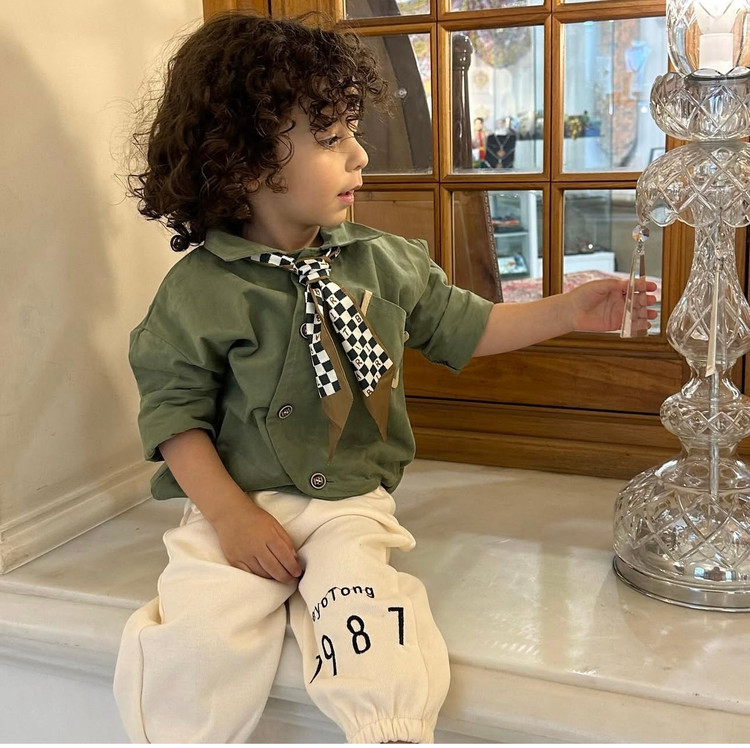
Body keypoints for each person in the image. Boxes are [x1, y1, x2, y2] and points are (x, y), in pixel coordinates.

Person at [113, 11, 656, 745]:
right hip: (232, 499)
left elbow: (468, 325)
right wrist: (232, 517)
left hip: (348, 503)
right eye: (331, 139)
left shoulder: (385, 262)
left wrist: (568, 311)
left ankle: (391, 732)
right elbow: (174, 415)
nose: (361, 155)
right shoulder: (198, 291)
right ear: (244, 163)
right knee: (201, 630)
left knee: (369, 612)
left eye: (353, 132)